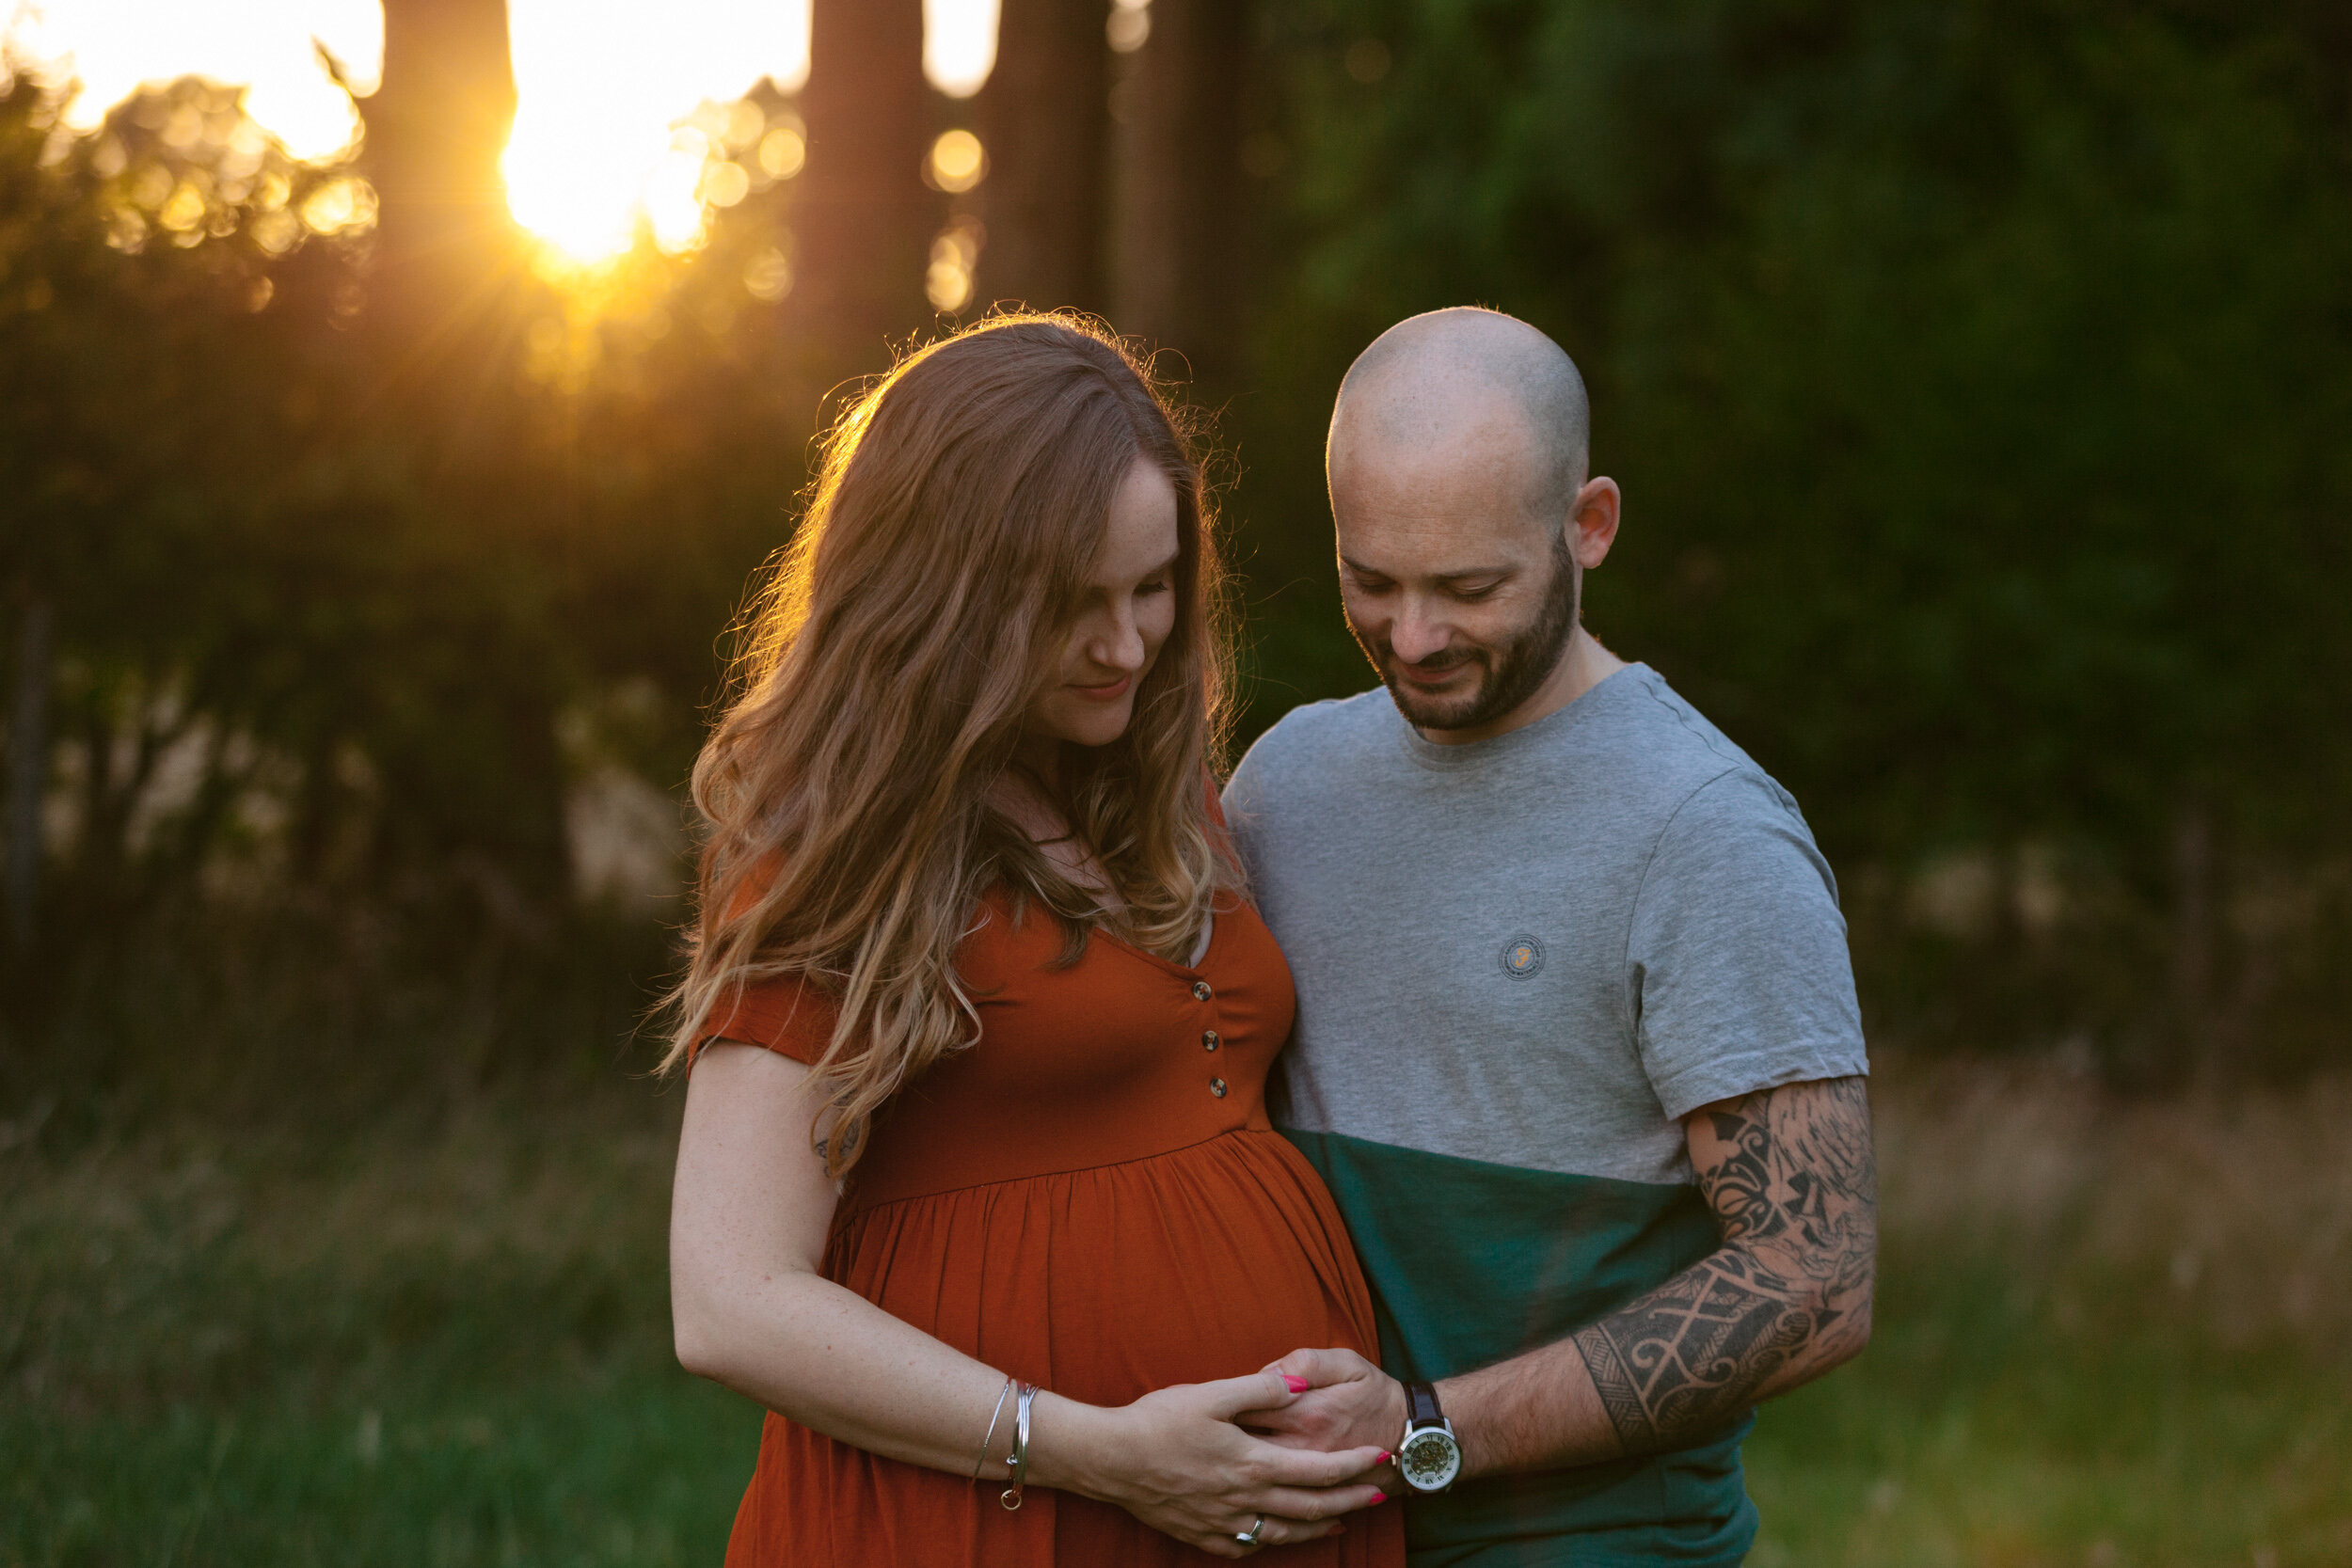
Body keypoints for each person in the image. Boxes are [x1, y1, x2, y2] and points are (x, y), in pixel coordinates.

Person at [662, 313, 1406, 1566]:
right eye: (1072, 606)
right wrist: (1083, 1447)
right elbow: (728, 1303)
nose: (1127, 645)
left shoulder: (1154, 794)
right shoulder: (842, 841)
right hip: (989, 1520)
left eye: (1153, 586)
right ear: (942, 592)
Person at [1222, 308, 1877, 1566]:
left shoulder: (1704, 830)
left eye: (1469, 589)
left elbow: (1816, 1281)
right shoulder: (1284, 782)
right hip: (1310, 1541)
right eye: (1373, 579)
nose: (1412, 638)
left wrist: (1426, 1430)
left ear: (1590, 527)